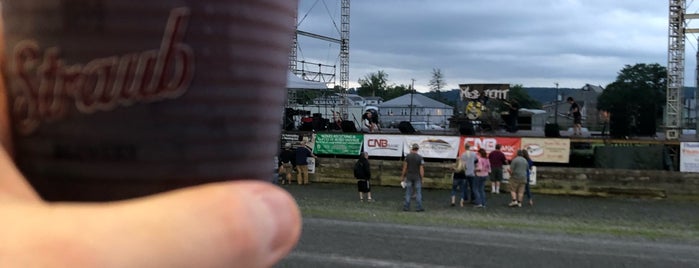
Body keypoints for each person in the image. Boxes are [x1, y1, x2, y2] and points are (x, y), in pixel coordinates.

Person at [401, 143, 425, 212]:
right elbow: (421, 169)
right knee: (418, 193)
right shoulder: (420, 157)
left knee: (408, 192)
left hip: (409, 176)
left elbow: (405, 168)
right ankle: (418, 207)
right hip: (417, 177)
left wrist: (402, 176)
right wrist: (422, 178)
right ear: (417, 149)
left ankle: (406, 207)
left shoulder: (408, 157)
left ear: (412, 148)